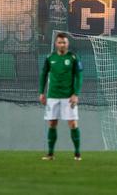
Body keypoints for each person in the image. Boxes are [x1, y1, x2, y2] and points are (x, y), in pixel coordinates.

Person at [39, 32, 83, 160]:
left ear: (68, 43)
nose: (62, 44)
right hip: (52, 96)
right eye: (60, 42)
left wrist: (76, 94)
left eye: (64, 42)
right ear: (56, 44)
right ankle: (50, 154)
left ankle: (77, 153)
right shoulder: (50, 58)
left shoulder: (74, 58)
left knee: (73, 124)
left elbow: (79, 77)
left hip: (68, 97)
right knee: (52, 123)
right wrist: (42, 92)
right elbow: (43, 75)